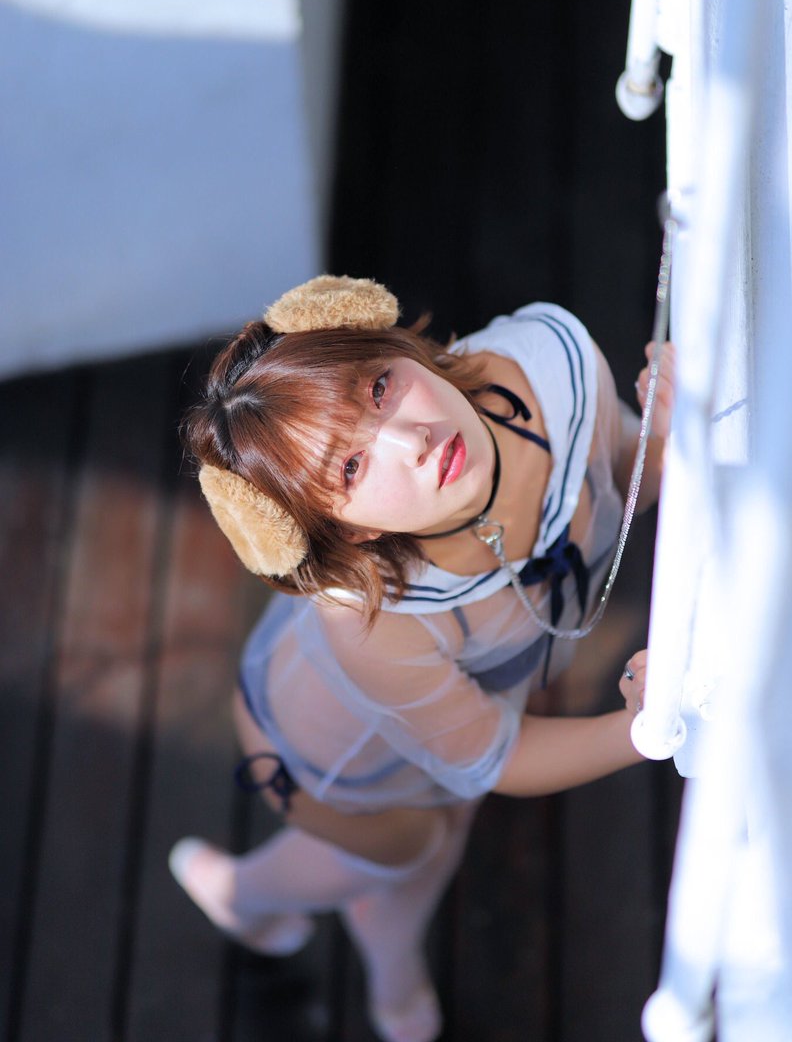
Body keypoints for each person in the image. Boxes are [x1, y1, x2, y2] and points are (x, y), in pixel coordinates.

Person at [169, 274, 675, 1042]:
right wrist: (637, 729)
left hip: (445, 717)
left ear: (397, 344)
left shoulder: (551, 371)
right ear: (350, 531)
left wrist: (670, 443)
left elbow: (612, 478)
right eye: (349, 468)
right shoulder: (373, 623)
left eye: (378, 387)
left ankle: (371, 963)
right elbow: (497, 755)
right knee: (412, 847)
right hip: (326, 748)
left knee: (443, 836)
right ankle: (247, 897)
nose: (412, 440)